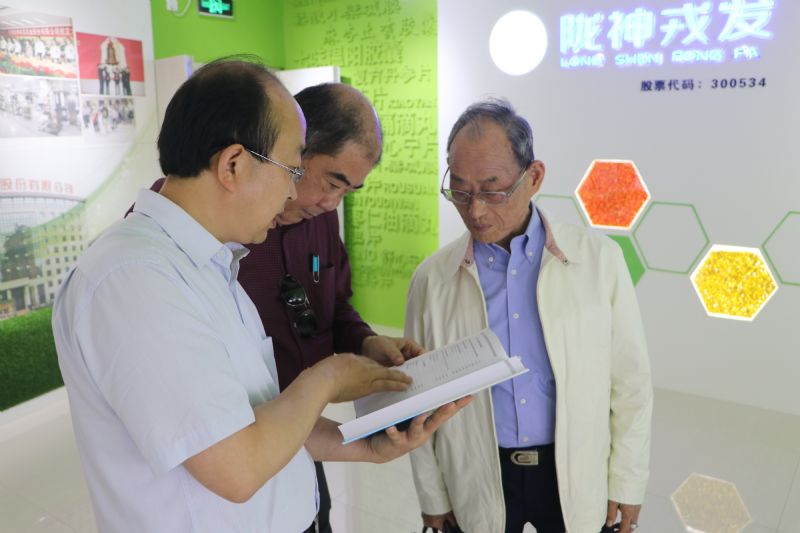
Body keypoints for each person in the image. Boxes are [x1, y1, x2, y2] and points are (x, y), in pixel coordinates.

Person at [52, 57, 469, 533]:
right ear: (233, 165)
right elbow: (236, 467)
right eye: (292, 170)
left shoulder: (212, 262)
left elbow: (254, 417)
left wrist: (364, 446)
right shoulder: (134, 280)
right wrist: (330, 377)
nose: (293, 193)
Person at [134, 82, 423, 533]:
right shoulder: (167, 262)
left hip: (299, 442)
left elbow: (334, 305)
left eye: (348, 193)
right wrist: (328, 380)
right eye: (327, 182)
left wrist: (365, 343)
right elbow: (228, 460)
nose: (328, 203)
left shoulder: (245, 243)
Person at [405, 100, 652, 533]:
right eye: (460, 190)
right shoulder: (433, 280)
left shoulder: (598, 261)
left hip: (572, 471)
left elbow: (630, 383)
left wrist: (627, 481)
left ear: (533, 176)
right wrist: (433, 496)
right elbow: (418, 401)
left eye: (493, 190)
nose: (475, 210)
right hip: (479, 476)